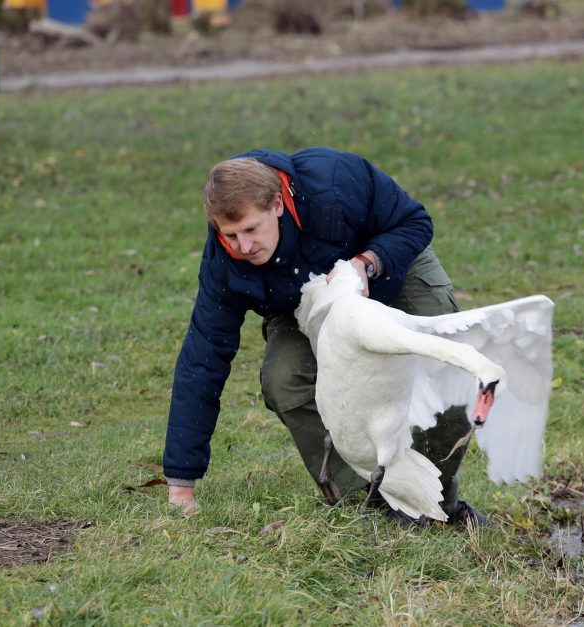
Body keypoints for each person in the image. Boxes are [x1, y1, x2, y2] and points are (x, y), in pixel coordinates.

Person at [163, 147, 486, 527]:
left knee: (450, 368)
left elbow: (413, 222)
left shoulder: (334, 182)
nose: (244, 247)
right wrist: (181, 483)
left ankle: (436, 506)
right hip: (306, 302)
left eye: (251, 229)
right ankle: (370, 505)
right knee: (284, 379)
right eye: (230, 234)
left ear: (278, 204)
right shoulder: (226, 262)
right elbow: (203, 360)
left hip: (387, 268)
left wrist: (367, 263)